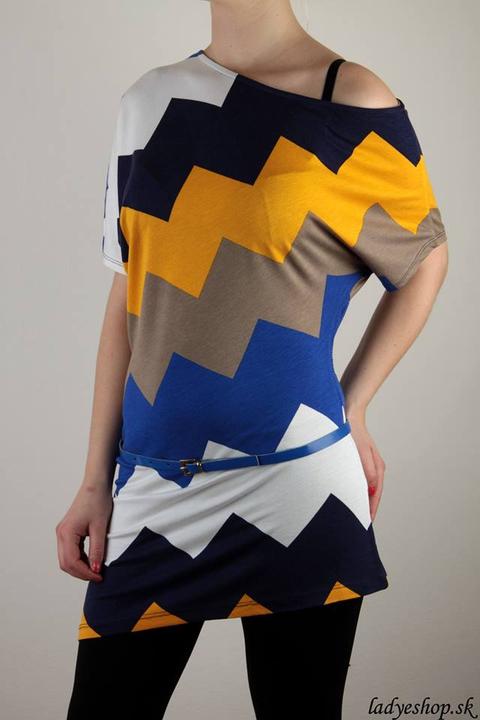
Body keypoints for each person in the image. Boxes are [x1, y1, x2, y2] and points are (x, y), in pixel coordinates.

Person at [57, 1, 449, 718]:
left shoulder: (353, 97)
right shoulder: (147, 103)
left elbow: (424, 258)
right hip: (154, 488)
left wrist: (354, 402)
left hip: (301, 486)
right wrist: (93, 481)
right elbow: (129, 300)